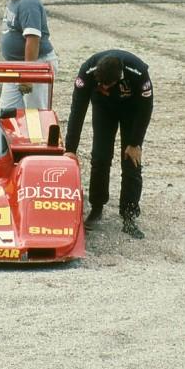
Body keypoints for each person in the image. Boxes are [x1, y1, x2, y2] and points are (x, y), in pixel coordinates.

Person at [64, 50, 153, 239]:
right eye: (100, 84)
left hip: (132, 109)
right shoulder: (87, 72)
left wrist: (136, 143)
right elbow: (77, 110)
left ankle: (129, 215)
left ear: (119, 77)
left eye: (108, 84)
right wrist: (70, 149)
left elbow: (146, 108)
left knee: (131, 161)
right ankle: (96, 207)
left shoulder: (137, 72)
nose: (104, 86)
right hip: (104, 109)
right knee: (100, 156)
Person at [0, 0, 58, 116]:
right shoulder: (16, 0)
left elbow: (32, 39)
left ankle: (39, 140)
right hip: (16, 66)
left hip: (36, 65)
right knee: (5, 112)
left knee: (35, 115)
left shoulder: (29, 4)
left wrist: (29, 74)